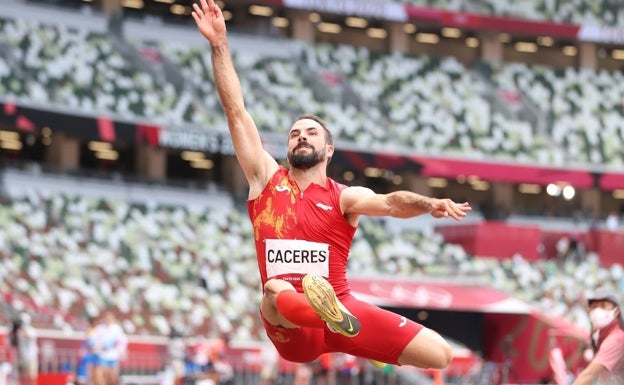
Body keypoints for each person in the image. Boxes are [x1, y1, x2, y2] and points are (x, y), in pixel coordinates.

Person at [192, 0, 471, 370]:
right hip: (294, 327)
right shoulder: (265, 179)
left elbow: (390, 202)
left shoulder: (344, 198)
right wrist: (219, 45)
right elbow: (236, 111)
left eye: (310, 133)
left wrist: (427, 203)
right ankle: (327, 316)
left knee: (441, 354)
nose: (300, 137)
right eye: (294, 134)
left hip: (342, 308)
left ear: (329, 149)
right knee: (275, 291)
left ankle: (347, 332)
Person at [571, 287, 624, 385]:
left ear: (616, 312)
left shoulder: (617, 339)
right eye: (594, 306)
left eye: (604, 306)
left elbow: (588, 375)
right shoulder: (601, 336)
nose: (597, 311)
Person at [92, 311, 128, 385]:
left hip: (113, 357)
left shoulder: (117, 328)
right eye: (107, 318)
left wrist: (119, 351)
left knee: (113, 377)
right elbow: (94, 340)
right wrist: (99, 348)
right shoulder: (100, 328)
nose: (108, 320)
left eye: (110, 319)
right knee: (102, 377)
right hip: (103, 356)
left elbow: (123, 340)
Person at [16, 313, 38, 385]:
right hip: (22, 356)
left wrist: (25, 329)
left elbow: (29, 337)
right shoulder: (19, 331)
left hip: (31, 356)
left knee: (32, 376)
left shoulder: (32, 330)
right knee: (21, 375)